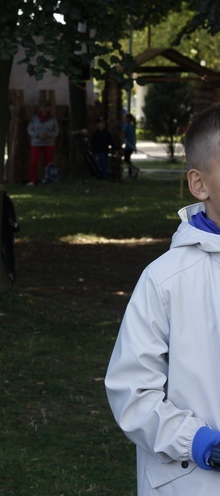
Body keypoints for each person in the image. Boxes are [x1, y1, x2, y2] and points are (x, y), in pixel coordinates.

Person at [104, 103, 220, 494]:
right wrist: (199, 442)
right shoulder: (165, 280)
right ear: (199, 184)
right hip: (192, 482)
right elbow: (132, 391)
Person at [27, 100, 59, 185]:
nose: (44, 109)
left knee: (49, 162)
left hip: (48, 143)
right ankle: (32, 180)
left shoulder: (52, 119)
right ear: (39, 108)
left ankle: (48, 179)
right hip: (36, 143)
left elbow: (56, 131)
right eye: (42, 107)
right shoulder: (34, 118)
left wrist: (47, 135)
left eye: (46, 106)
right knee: (34, 161)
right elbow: (29, 130)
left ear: (49, 108)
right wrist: (37, 135)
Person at [123, 113, 140, 178]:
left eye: (124, 118)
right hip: (132, 145)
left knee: (126, 160)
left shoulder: (126, 126)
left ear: (128, 119)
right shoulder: (131, 126)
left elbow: (124, 135)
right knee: (127, 159)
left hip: (128, 146)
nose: (123, 119)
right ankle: (131, 173)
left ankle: (134, 169)